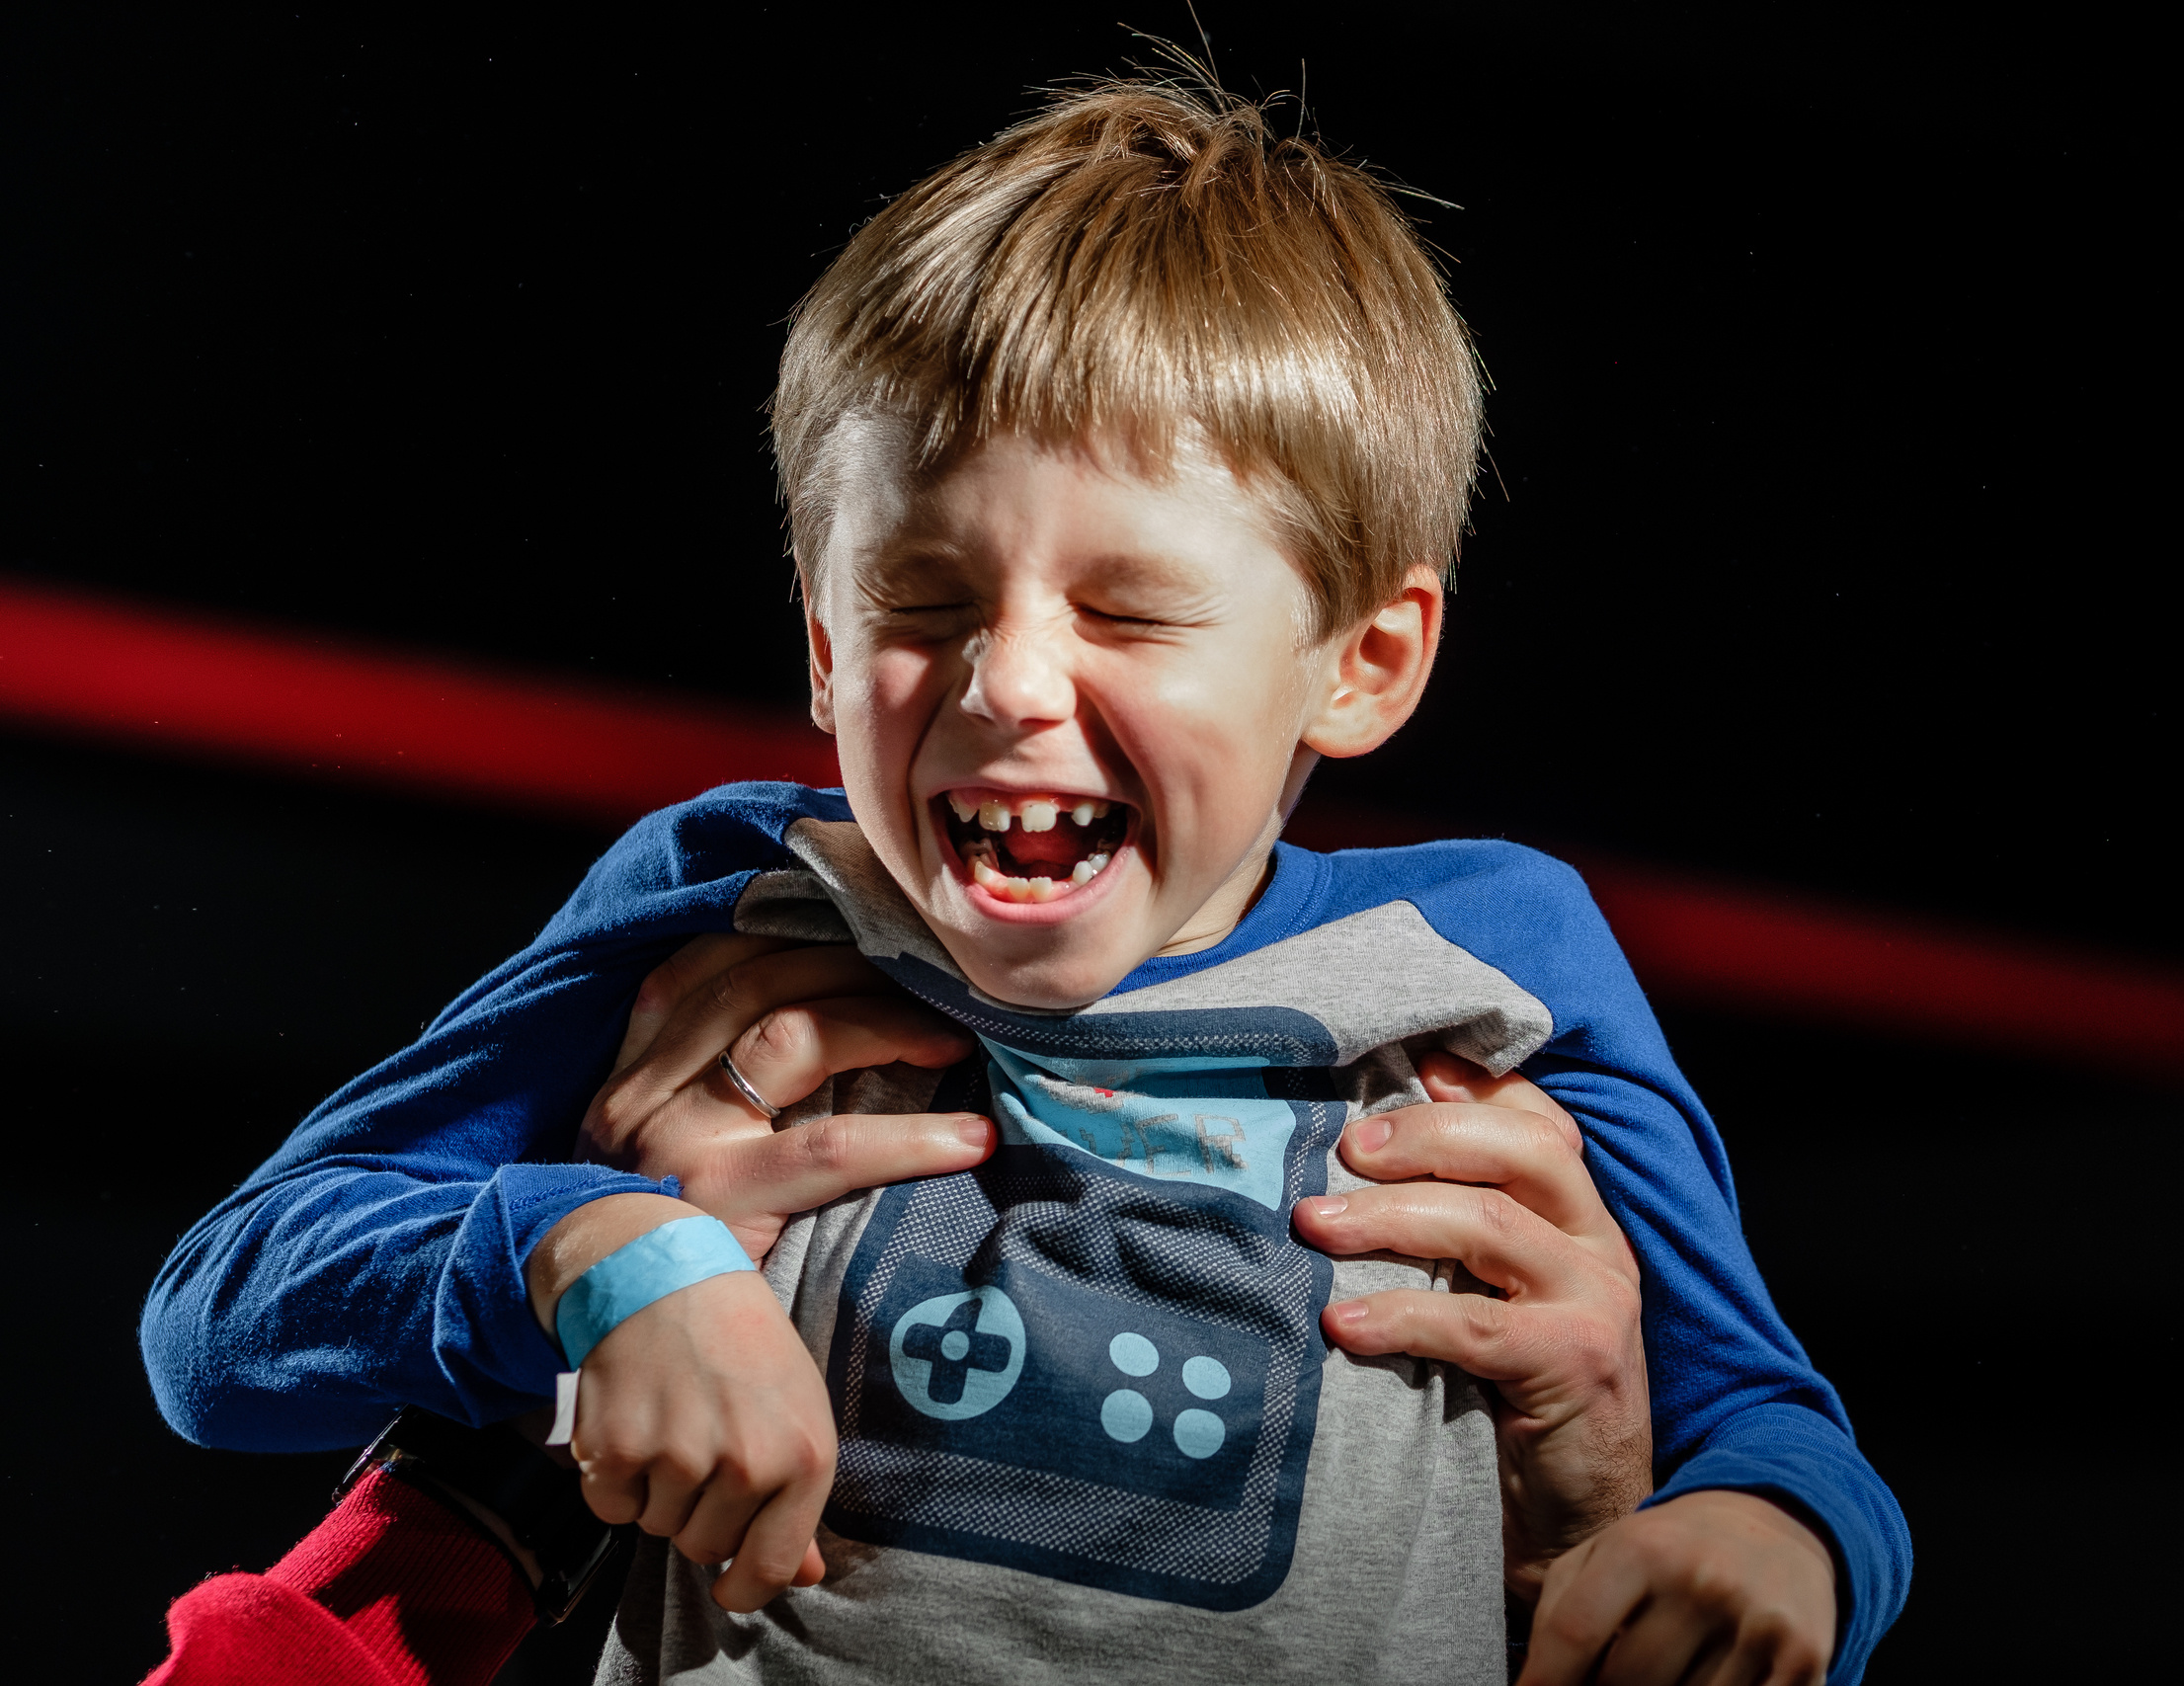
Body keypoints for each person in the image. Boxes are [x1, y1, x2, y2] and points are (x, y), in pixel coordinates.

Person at [144, 73, 1907, 1683]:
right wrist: (592, 1247)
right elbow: (219, 1315)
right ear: (827, 649)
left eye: (1131, 608)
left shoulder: (1493, 955)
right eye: (921, 603)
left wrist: (1783, 1540)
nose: (1005, 683)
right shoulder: (731, 891)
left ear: (1363, 662)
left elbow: (1759, 1411)